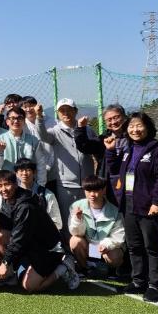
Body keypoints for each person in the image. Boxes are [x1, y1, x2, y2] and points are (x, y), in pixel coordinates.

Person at [105, 112, 158, 302]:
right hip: (129, 205)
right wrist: (110, 152)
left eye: (139, 125)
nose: (135, 130)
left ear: (148, 127)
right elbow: (115, 170)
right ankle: (138, 281)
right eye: (131, 126)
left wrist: (157, 202)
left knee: (152, 247)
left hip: (149, 207)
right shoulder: (129, 148)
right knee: (134, 247)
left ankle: (154, 286)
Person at [0, 170, 80, 292]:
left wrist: (5, 263)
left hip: (47, 248)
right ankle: (11, 275)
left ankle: (63, 267)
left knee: (30, 286)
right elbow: (8, 225)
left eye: (7, 184)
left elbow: (18, 238)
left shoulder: (25, 206)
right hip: (29, 243)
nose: (4, 189)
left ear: (16, 184)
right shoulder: (6, 200)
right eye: (0, 185)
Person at [35, 98, 99, 235]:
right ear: (58, 113)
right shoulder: (55, 132)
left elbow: (96, 150)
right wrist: (39, 117)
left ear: (75, 111)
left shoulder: (87, 129)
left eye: (69, 109)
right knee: (68, 218)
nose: (65, 113)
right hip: (66, 184)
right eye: (62, 110)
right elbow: (42, 136)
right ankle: (69, 246)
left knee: (89, 218)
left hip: (88, 184)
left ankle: (89, 247)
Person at [68, 176, 125, 273]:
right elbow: (76, 233)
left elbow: (118, 236)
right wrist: (78, 219)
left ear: (103, 190)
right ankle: (85, 268)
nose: (92, 195)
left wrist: (106, 246)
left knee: (115, 256)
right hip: (89, 247)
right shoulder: (76, 206)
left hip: (106, 249)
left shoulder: (115, 211)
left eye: (95, 191)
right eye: (88, 191)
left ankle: (109, 270)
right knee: (74, 240)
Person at [0, 107, 42, 174]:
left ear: (24, 121)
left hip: (28, 179)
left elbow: (41, 163)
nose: (16, 121)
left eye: (20, 118)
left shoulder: (33, 140)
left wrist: (41, 180)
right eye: (13, 118)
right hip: (7, 179)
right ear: (7, 121)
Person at [12, 159, 61, 230]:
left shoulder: (46, 194)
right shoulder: (12, 194)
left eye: (28, 170)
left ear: (34, 172)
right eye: (21, 170)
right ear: (16, 173)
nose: (24, 173)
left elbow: (57, 223)